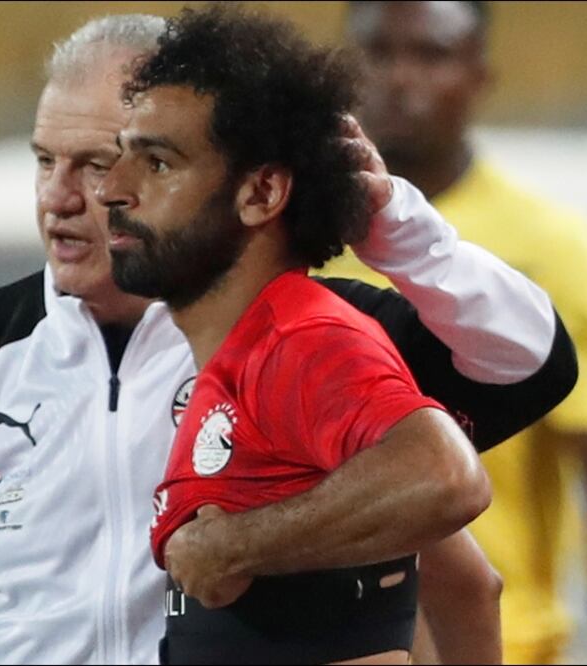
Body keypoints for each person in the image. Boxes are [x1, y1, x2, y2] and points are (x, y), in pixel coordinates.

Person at [0, 13, 575, 665]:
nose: (71, 197)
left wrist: (395, 229)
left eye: (113, 161)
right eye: (47, 162)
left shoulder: (301, 336)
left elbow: (525, 371)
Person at [98, 5, 502, 663]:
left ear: (260, 194)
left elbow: (447, 478)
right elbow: (470, 587)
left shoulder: (301, 340)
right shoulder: (254, 353)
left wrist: (234, 545)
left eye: (158, 163)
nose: (112, 188)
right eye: (120, 157)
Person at [318, 2, 587, 663]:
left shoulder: (553, 247)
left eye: (431, 54)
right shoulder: (290, 234)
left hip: (499, 641)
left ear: (479, 75)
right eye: (376, 52)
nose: (398, 77)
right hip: (328, 640)